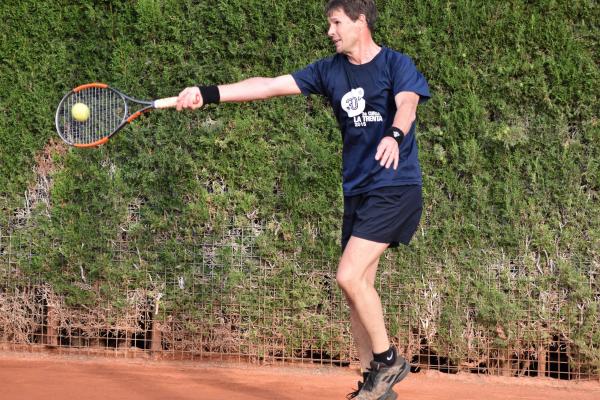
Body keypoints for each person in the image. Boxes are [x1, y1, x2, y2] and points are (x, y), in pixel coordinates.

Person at [176, 1, 430, 398]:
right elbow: (270, 84)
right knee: (358, 289)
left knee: (348, 275)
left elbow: (408, 105)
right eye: (329, 23)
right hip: (358, 190)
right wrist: (207, 94)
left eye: (336, 22)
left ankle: (388, 361)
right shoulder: (329, 70)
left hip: (395, 187)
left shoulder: (396, 63)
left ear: (360, 22)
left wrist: (393, 136)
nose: (330, 31)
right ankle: (374, 388)